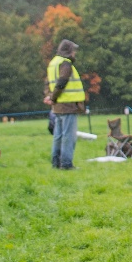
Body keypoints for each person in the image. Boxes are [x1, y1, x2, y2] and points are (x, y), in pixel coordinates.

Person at [45, 40, 86, 170]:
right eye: (73, 50)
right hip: (67, 106)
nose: (75, 53)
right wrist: (53, 97)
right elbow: (62, 82)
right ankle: (66, 164)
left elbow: (48, 83)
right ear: (68, 51)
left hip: (57, 107)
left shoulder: (53, 63)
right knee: (69, 136)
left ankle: (56, 163)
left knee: (58, 136)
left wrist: (50, 97)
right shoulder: (65, 63)